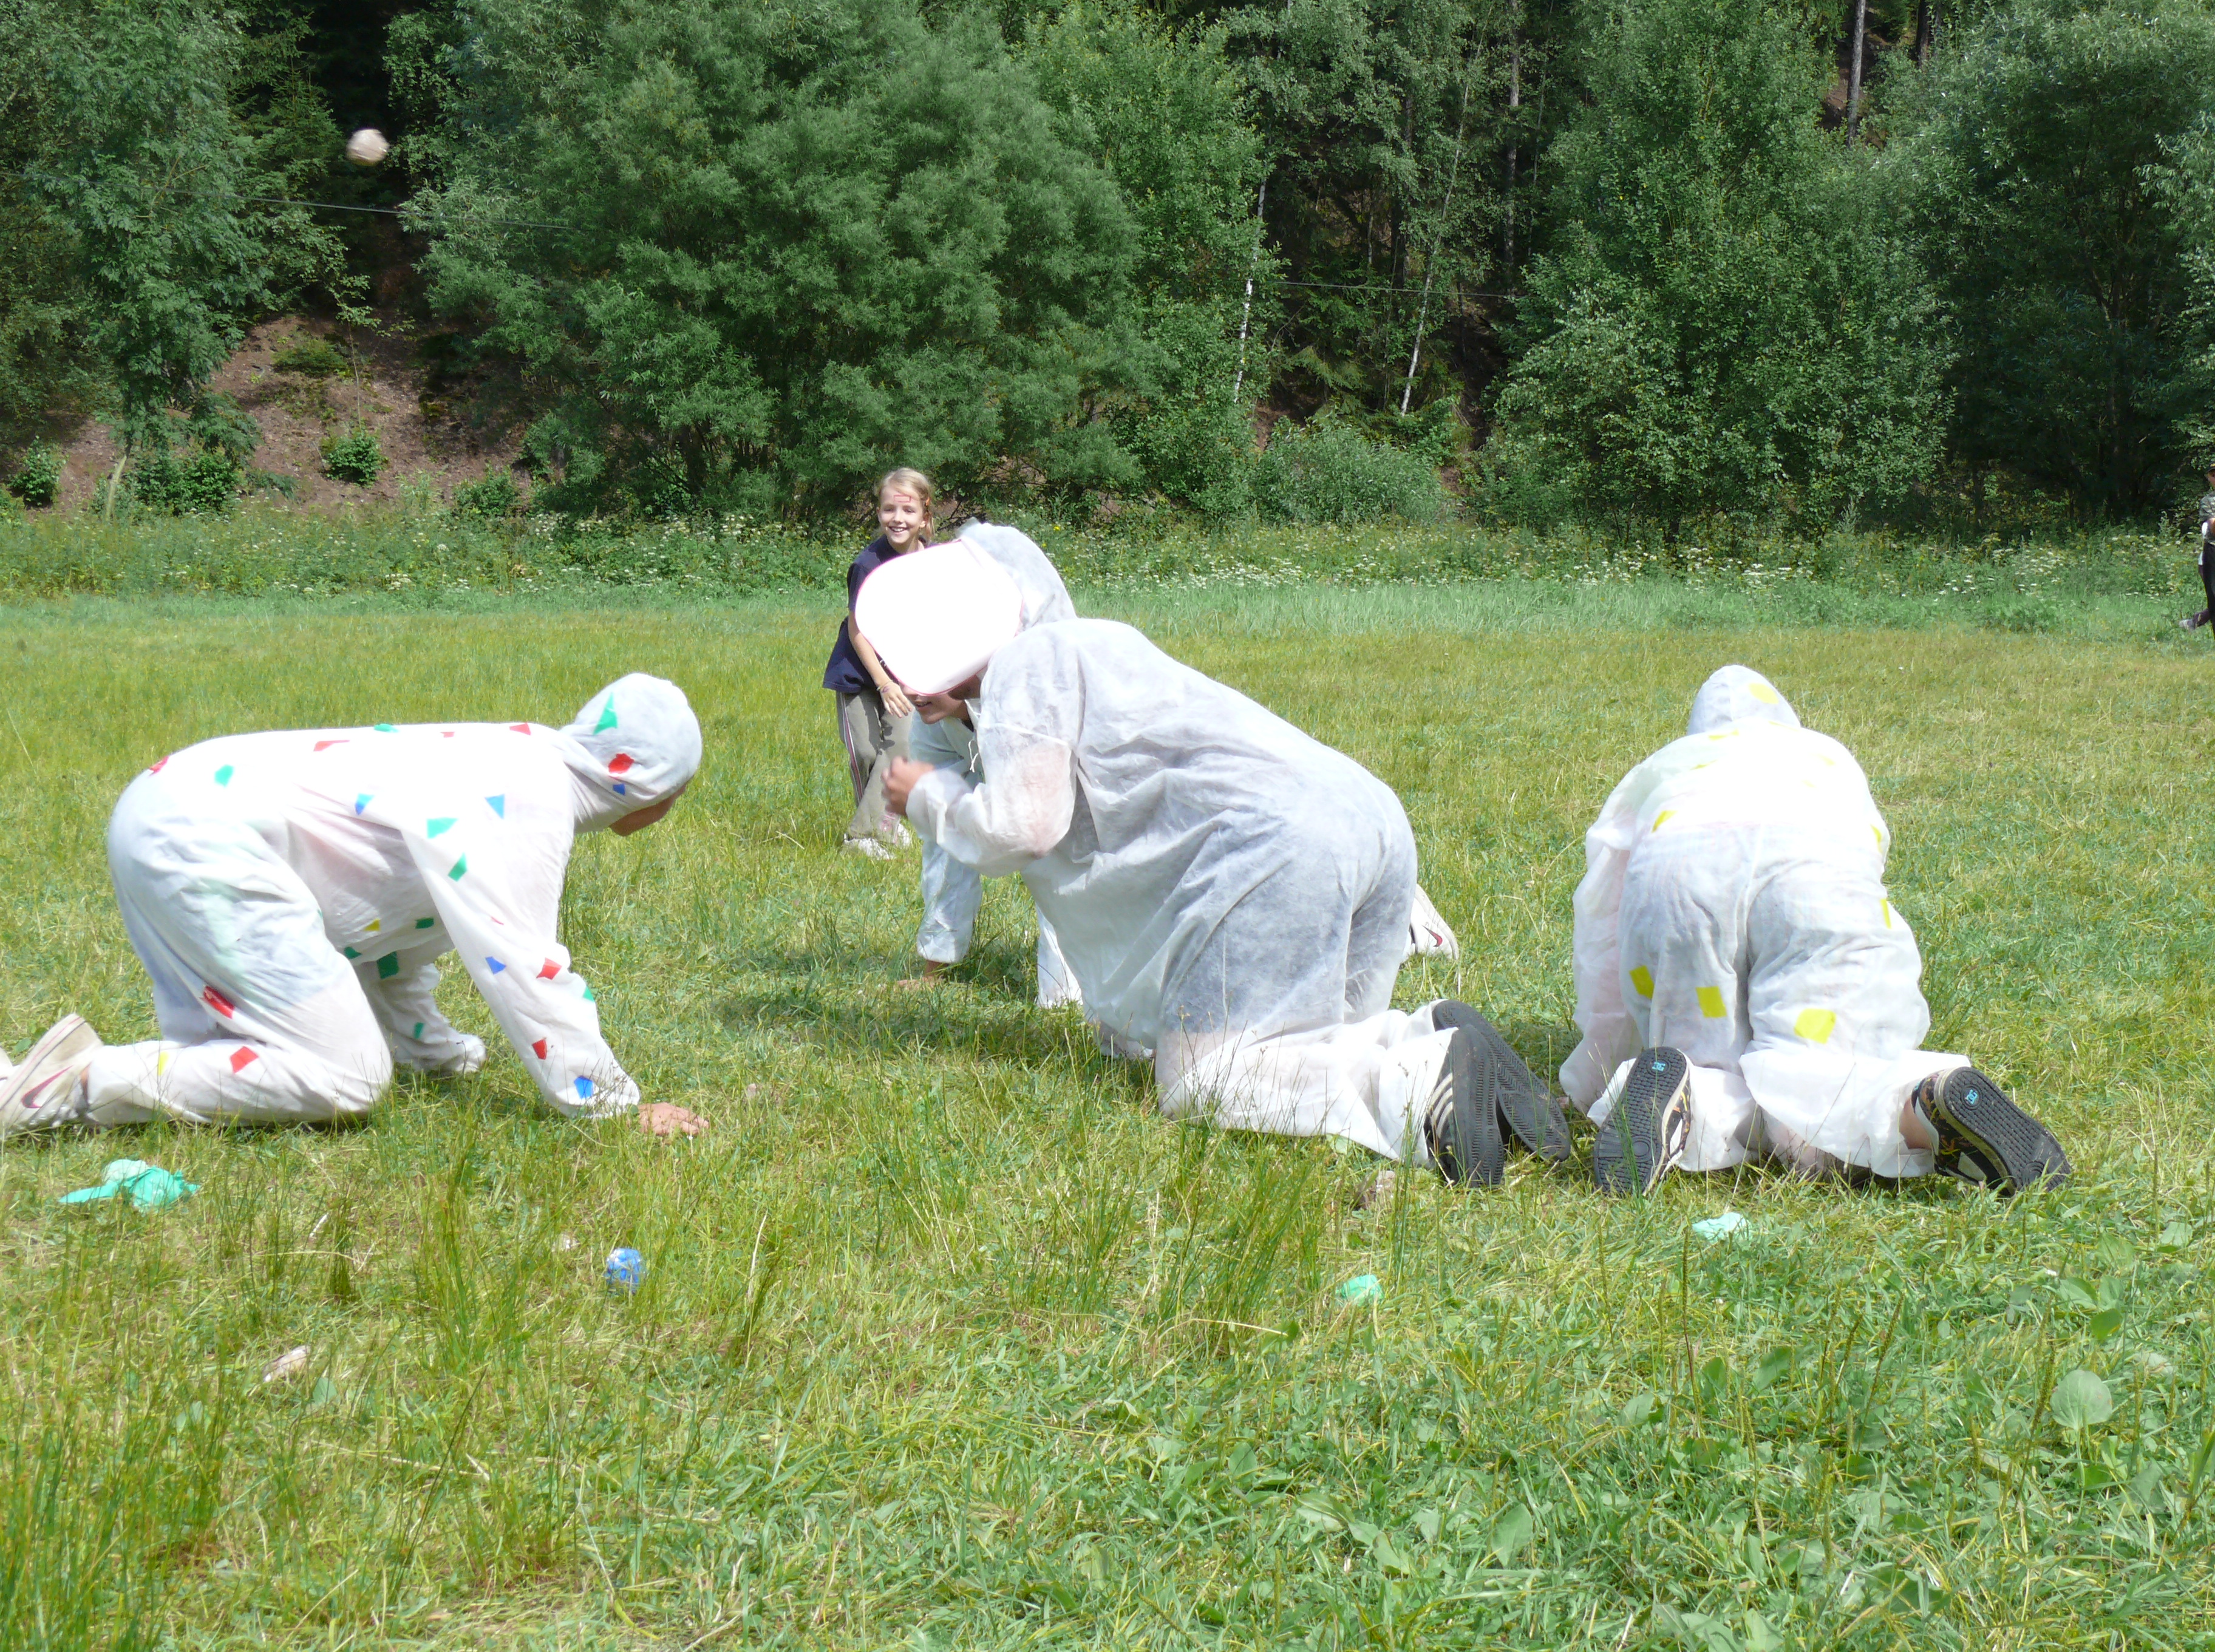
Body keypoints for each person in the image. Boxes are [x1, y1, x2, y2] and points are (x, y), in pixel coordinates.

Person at [862, 545, 1567, 1184]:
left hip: (1275, 844)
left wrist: (929, 795)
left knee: (1203, 1082)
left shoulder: (1025, 668)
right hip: (1369, 816)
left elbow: (1026, 829)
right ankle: (1430, 1035)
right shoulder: (1099, 644)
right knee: (1310, 1041)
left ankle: (1414, 1076)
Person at [0, 675, 709, 1139]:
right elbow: (526, 967)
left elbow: (398, 930)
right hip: (201, 837)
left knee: (247, 1052)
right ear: (657, 792)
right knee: (345, 1076)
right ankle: (67, 1086)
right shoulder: (532, 797)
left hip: (169, 805)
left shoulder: (513, 757)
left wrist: (433, 1056)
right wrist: (612, 1105)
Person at [1561, 664, 2069, 1196]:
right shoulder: (1826, 756)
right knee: (1825, 1081)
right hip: (1813, 878)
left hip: (1676, 882)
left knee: (1713, 1058)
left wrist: (1594, 1073)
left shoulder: (1662, 769)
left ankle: (1687, 1089)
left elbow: (1603, 926)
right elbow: (1867, 855)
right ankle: (1917, 1106)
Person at [899, 520, 1081, 1007]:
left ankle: (1065, 995)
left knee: (1055, 850)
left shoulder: (1038, 675)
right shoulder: (930, 711)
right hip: (966, 716)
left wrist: (963, 707)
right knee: (943, 826)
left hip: (1040, 737)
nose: (913, 688)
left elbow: (1046, 842)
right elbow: (944, 837)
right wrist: (936, 962)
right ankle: (940, 963)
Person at [823, 469, 931, 858]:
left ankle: (863, 836)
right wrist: (884, 683)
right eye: (889, 509)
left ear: (925, 514)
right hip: (860, 674)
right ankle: (884, 825)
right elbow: (858, 630)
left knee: (900, 744)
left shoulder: (935, 561)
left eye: (908, 510)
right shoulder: (868, 564)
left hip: (906, 676)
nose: (898, 519)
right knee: (865, 754)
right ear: (879, 512)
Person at [2182, 465, 2215, 633]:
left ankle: (2195, 621)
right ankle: (2194, 622)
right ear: (2209, 478)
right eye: (2213, 475)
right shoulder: (2207, 502)